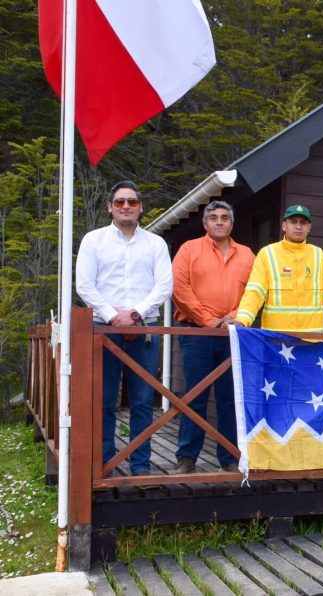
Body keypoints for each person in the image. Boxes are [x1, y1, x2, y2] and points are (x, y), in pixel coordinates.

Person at [75, 180, 172, 476]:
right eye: (120, 202)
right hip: (102, 330)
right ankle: (105, 463)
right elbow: (84, 284)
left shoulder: (156, 244)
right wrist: (111, 315)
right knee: (104, 400)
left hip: (144, 331)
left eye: (131, 202)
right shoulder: (94, 240)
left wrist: (133, 314)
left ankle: (140, 465)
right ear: (110, 207)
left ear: (140, 207)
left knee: (143, 401)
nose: (126, 206)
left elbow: (165, 285)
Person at [170, 201, 255, 474]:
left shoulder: (247, 255)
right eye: (214, 218)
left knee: (230, 398)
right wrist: (208, 320)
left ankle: (229, 457)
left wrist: (235, 316)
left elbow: (256, 290)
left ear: (232, 224)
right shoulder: (189, 249)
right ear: (206, 224)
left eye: (225, 218)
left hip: (233, 333)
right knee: (194, 395)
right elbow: (180, 289)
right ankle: (187, 458)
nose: (219, 222)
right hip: (197, 333)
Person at [236, 205, 323, 333]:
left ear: (309, 228)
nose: (298, 227)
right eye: (293, 222)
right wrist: (243, 320)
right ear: (284, 226)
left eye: (303, 223)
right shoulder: (267, 254)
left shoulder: (318, 255)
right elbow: (255, 292)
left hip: (310, 340)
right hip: (276, 340)